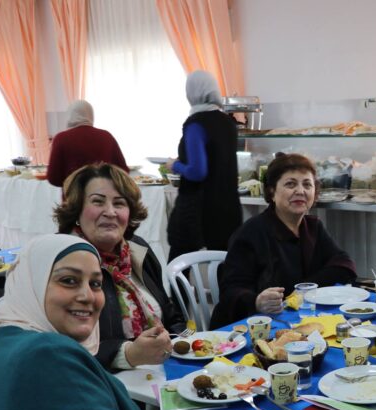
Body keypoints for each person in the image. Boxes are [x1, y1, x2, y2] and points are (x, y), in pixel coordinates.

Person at [0, 234, 250, 410]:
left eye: (95, 283)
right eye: (68, 280)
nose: (87, 296)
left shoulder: (4, 344)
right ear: (31, 284)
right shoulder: (46, 358)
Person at [54, 163, 184, 370]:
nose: (110, 212)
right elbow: (60, 347)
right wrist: (127, 354)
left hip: (158, 371)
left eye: (119, 203)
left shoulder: (137, 249)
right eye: (98, 201)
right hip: (102, 380)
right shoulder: (63, 261)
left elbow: (169, 313)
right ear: (77, 210)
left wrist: (183, 341)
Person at [210, 152, 356, 328]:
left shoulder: (313, 227)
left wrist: (303, 289)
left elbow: (344, 265)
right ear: (272, 191)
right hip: (248, 327)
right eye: (290, 184)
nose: (300, 191)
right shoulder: (251, 233)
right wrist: (257, 301)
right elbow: (230, 291)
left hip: (299, 321)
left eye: (307, 184)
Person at [166, 70, 242, 261]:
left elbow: (197, 172)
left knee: (180, 261)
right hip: (227, 205)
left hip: (197, 207)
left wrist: (175, 165)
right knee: (225, 263)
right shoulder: (228, 122)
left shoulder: (196, 124)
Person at [47, 100, 128, 187]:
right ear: (91, 114)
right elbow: (123, 170)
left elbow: (53, 178)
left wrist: (72, 184)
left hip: (73, 194)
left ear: (69, 115)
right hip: (103, 192)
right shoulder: (107, 136)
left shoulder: (61, 138)